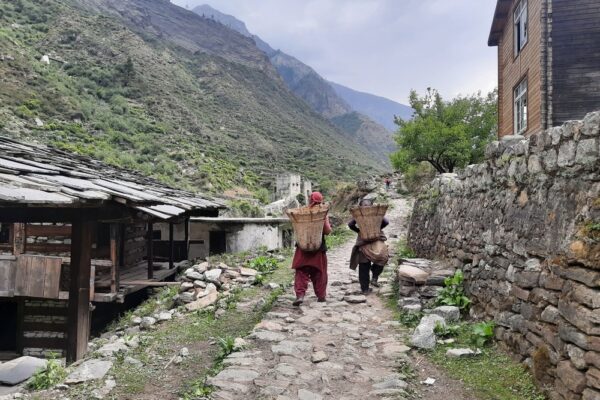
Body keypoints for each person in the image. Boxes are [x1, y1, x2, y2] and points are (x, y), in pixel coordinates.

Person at [291, 192, 332, 306]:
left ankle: (300, 295)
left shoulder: (302, 212)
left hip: (302, 248)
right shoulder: (323, 213)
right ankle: (321, 296)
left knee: (301, 272)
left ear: (310, 199)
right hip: (318, 249)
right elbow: (327, 231)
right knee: (320, 272)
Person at [348, 199, 390, 294]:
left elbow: (351, 224)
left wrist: (359, 231)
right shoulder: (374, 214)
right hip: (373, 240)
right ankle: (370, 282)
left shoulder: (360, 215)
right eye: (365, 206)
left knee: (365, 265)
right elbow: (386, 221)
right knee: (381, 258)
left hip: (363, 241)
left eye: (367, 206)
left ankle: (365, 288)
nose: (366, 207)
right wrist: (377, 229)